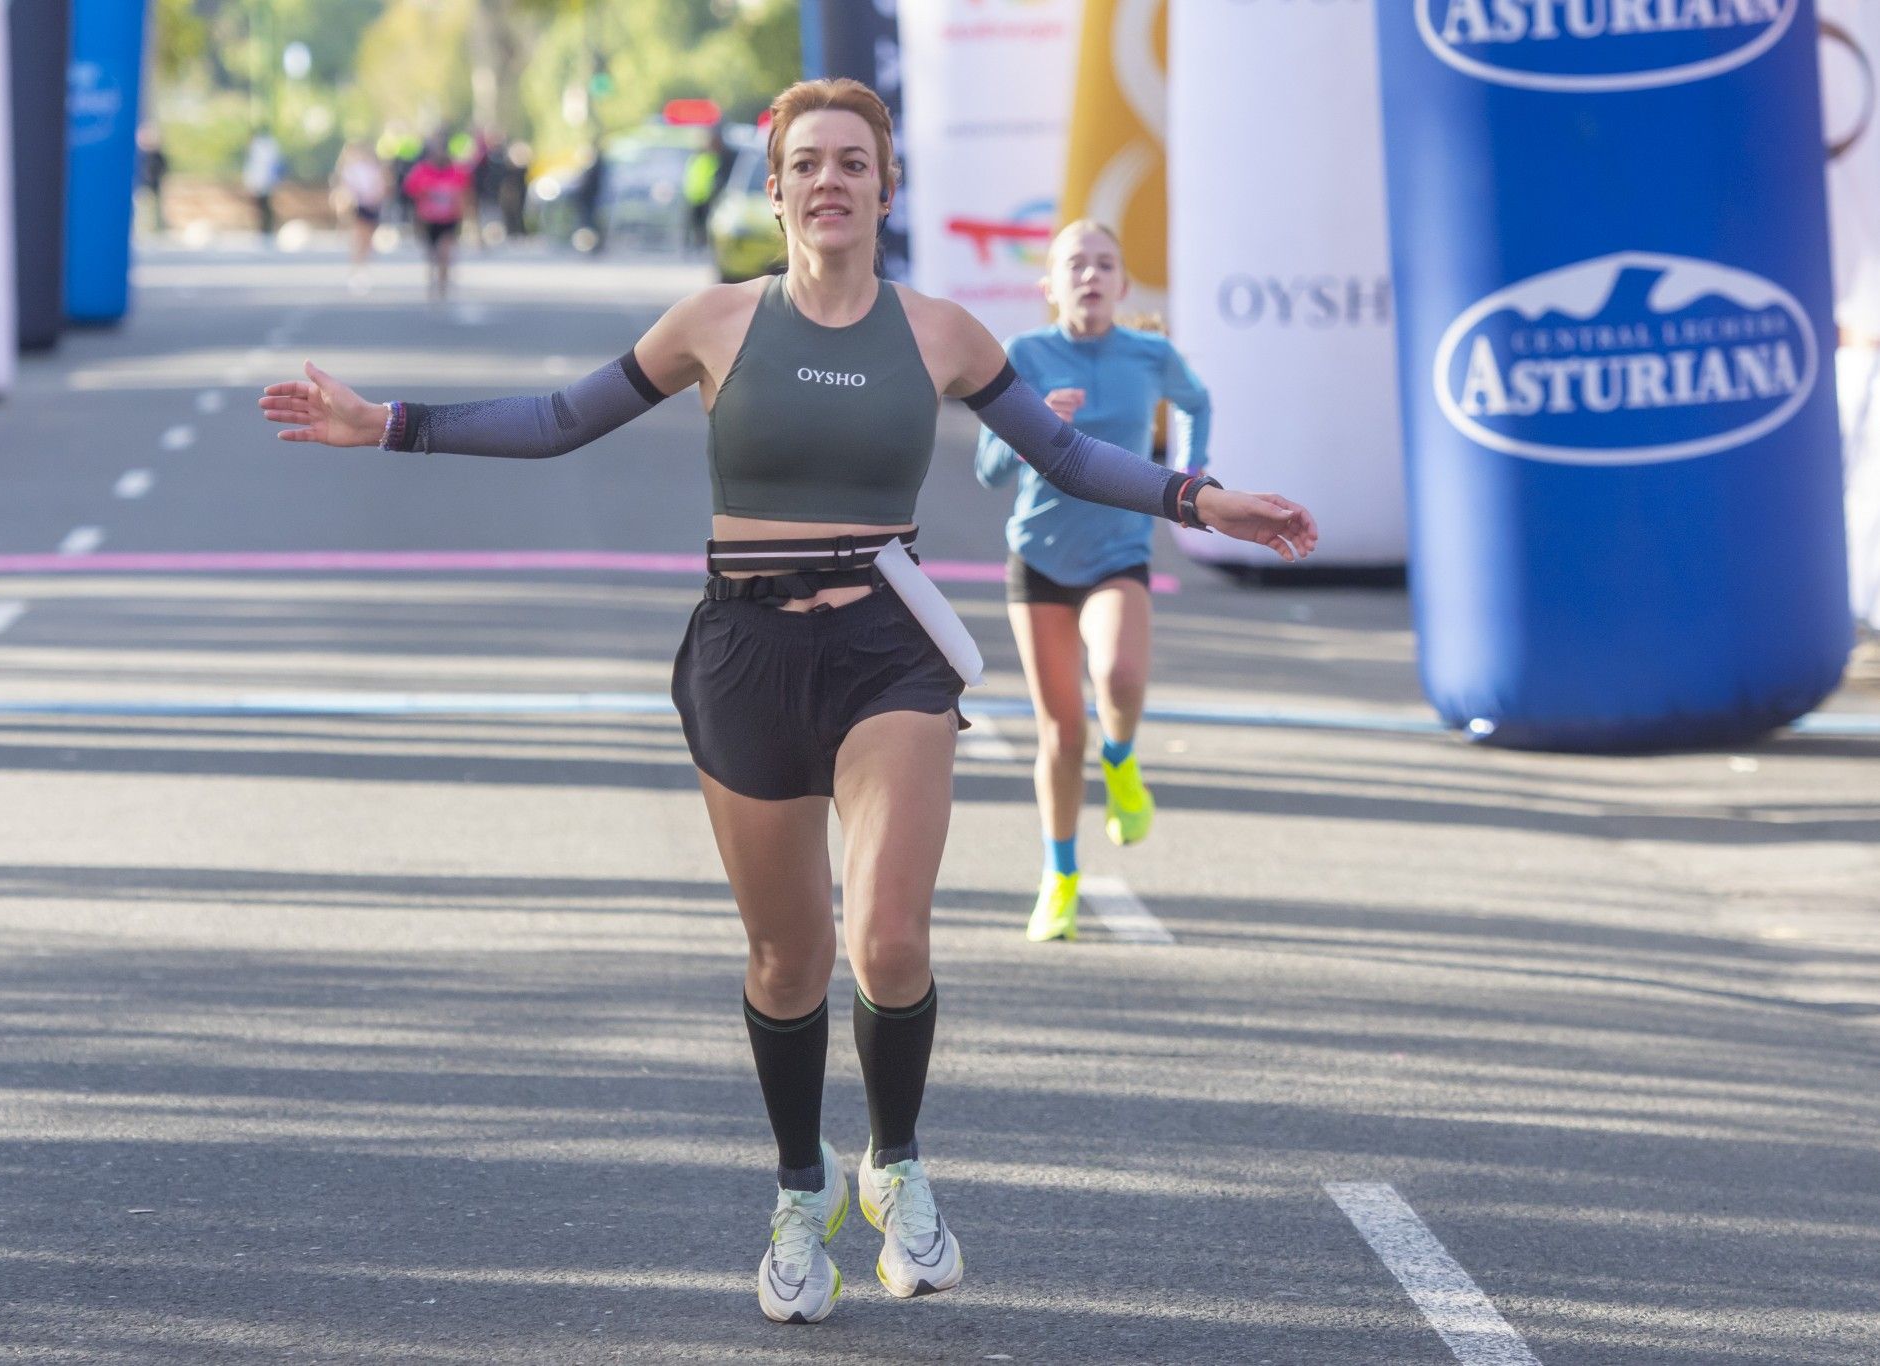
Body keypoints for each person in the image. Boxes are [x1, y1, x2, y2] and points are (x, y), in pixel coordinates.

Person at [258, 78, 1316, 1325]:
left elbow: (1071, 457)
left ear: (883, 189)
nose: (830, 180)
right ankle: (798, 1187)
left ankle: (899, 1166)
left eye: (853, 163)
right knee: (786, 955)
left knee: (890, 939)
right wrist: (387, 425)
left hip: (886, 644)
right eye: (806, 162)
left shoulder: (941, 333)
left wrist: (1206, 499)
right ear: (775, 191)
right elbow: (557, 422)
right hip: (744, 651)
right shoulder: (715, 321)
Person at [975, 220, 1214, 943]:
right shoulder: (1023, 355)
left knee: (1118, 675)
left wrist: (1191, 476)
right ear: (1049, 286)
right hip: (1039, 556)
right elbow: (988, 473)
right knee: (1059, 731)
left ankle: (1121, 760)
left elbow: (1199, 402)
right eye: (1074, 264)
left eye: (1104, 263)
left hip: (1118, 551)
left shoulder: (1151, 355)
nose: (1090, 275)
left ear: (1122, 284)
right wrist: (1032, 426)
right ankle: (1060, 879)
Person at [402, 139, 470, 301]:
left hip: (449, 218)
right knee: (432, 253)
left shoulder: (457, 172)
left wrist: (466, 214)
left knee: (444, 252)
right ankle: (433, 278)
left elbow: (466, 194)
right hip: (428, 219)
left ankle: (443, 283)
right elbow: (409, 191)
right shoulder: (421, 171)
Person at [331, 141, 388, 293]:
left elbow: (381, 187)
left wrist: (376, 199)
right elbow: (346, 188)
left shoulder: (374, 169)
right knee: (359, 237)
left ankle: (363, 266)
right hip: (358, 206)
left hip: (372, 206)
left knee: (368, 240)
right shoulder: (351, 170)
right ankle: (357, 270)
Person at [242, 128, 282, 239]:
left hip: (262, 183)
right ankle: (265, 229)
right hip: (263, 182)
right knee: (263, 207)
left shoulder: (260, 149)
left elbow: (259, 169)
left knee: (264, 207)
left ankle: (267, 229)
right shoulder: (267, 147)